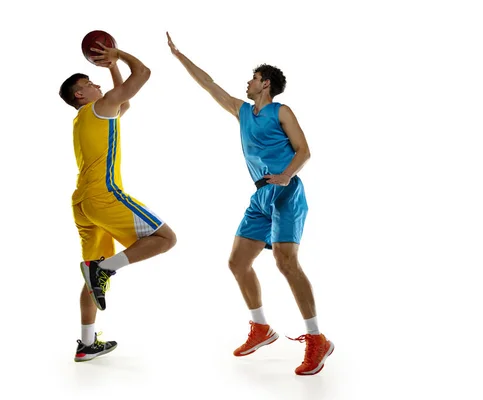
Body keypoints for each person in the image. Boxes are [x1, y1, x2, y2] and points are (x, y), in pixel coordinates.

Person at [166, 32, 333, 375]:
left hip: (286, 192)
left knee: (286, 263)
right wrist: (180, 56)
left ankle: (318, 339)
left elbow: (304, 151)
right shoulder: (241, 111)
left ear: (265, 83)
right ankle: (261, 328)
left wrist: (286, 175)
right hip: (260, 196)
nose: (247, 82)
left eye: (253, 78)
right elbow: (209, 84)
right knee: (238, 263)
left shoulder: (281, 110)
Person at [59, 41, 177, 362]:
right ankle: (104, 269)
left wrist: (111, 68)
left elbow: (125, 103)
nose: (96, 85)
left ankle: (86, 343)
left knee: (90, 275)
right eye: (88, 84)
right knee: (166, 238)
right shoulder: (101, 106)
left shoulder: (87, 116)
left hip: (82, 203)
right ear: (80, 95)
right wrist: (118, 56)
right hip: (104, 195)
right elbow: (143, 73)